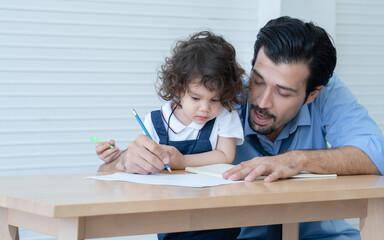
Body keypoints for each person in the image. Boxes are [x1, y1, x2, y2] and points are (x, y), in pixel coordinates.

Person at [97, 17, 384, 240]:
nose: (259, 100)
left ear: (312, 93)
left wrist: (296, 160)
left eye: (283, 92)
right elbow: (112, 173)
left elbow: (376, 154)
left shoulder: (328, 94)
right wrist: (123, 160)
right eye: (258, 80)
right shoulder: (218, 94)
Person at [96, 30, 245, 240]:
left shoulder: (225, 115)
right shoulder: (156, 121)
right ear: (177, 88)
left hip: (216, 216)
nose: (205, 108)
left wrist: (182, 161)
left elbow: (225, 156)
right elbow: (146, 162)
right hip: (171, 216)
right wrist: (120, 157)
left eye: (214, 100)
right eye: (196, 98)